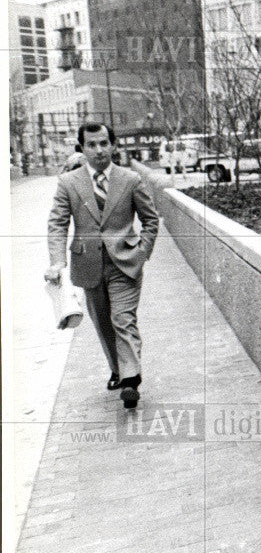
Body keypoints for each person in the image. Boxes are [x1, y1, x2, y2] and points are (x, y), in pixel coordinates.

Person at [45, 123, 159, 409]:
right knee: (104, 323)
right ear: (82, 148)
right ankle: (118, 370)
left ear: (113, 145)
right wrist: (57, 261)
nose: (99, 150)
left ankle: (131, 379)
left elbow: (151, 220)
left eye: (104, 143)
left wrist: (142, 252)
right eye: (92, 144)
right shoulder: (69, 182)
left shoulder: (130, 179)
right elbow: (57, 223)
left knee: (123, 319)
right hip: (88, 265)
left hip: (126, 263)